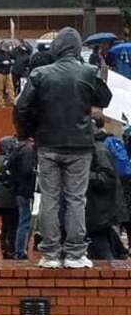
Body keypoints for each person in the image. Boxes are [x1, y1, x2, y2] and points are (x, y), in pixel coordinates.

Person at [14, 27, 112, 268]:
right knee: (76, 199)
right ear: (78, 48)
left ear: (56, 48)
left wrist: (26, 133)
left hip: (47, 143)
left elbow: (21, 108)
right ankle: (76, 253)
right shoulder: (88, 72)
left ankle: (50, 253)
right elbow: (105, 99)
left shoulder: (40, 74)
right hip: (79, 144)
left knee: (49, 197)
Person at [86, 124, 126, 260]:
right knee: (102, 242)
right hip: (99, 209)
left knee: (100, 246)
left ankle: (110, 272)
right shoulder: (97, 149)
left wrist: (84, 175)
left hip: (100, 209)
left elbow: (107, 178)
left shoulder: (98, 150)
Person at [6, 137, 37, 260]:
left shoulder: (18, 149)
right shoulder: (29, 150)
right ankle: (20, 251)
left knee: (23, 220)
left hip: (19, 190)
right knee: (25, 221)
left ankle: (19, 250)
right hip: (27, 190)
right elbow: (27, 170)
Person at [0, 136, 20, 260]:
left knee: (5, 225)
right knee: (12, 226)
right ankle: (10, 249)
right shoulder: (9, 161)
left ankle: (4, 246)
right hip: (10, 199)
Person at [0, 41, 15, 108]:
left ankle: (12, 101)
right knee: (0, 88)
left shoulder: (8, 53)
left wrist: (10, 62)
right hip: (0, 73)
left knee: (11, 88)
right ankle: (1, 103)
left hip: (8, 72)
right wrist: (2, 63)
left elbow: (12, 58)